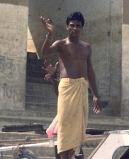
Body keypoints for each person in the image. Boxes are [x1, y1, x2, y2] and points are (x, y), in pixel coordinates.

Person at [40, 12, 101, 159]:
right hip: (67, 88)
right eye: (72, 25)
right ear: (67, 26)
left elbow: (90, 71)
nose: (75, 28)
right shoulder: (61, 44)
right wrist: (49, 34)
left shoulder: (87, 47)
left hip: (81, 88)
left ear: (82, 28)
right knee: (65, 128)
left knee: (77, 129)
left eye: (78, 26)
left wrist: (95, 95)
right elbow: (44, 52)